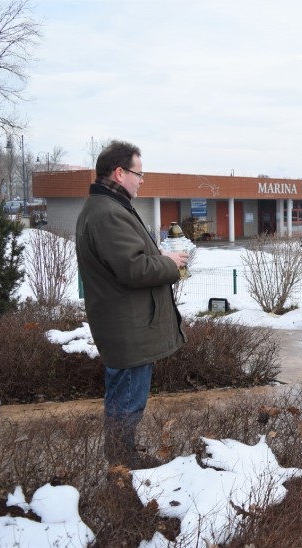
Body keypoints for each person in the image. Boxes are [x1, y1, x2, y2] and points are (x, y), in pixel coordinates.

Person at [75, 140, 188, 466]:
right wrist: (172, 265)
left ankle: (120, 456)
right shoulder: (108, 214)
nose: (142, 180)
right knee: (127, 402)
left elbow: (128, 258)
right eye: (139, 173)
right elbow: (132, 269)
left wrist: (159, 255)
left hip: (127, 325)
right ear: (120, 172)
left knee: (121, 398)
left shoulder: (107, 208)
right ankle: (122, 464)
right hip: (129, 329)